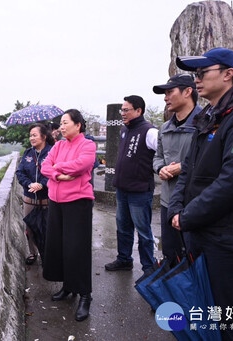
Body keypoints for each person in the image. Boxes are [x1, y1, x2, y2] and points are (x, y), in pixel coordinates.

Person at [168, 47, 233, 341]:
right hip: (200, 231)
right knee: (203, 311)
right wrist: (177, 208)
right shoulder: (211, 117)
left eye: (202, 73)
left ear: (228, 74)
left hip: (227, 239)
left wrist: (187, 215)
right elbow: (187, 170)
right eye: (194, 74)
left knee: (227, 317)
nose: (196, 80)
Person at [40, 109, 96, 322]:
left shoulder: (88, 145)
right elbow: (45, 166)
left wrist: (59, 167)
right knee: (59, 246)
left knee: (77, 248)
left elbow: (82, 165)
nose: (61, 127)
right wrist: (57, 172)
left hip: (77, 202)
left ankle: (85, 294)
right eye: (60, 124)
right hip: (56, 202)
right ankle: (68, 286)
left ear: (77, 125)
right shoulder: (59, 146)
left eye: (65, 123)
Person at [104, 95, 158, 274]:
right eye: (122, 110)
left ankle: (149, 268)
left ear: (138, 111)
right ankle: (124, 259)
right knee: (123, 227)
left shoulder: (150, 131)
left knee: (143, 231)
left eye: (126, 110)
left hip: (140, 191)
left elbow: (162, 155)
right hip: (122, 188)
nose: (123, 113)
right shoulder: (124, 130)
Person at [152, 74, 202, 263]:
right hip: (167, 200)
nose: (165, 98)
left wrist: (183, 167)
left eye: (169, 92)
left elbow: (214, 160)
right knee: (171, 254)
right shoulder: (164, 127)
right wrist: (160, 169)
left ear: (188, 91)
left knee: (194, 256)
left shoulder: (205, 124)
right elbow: (157, 157)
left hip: (194, 201)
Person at [16, 123, 55, 265]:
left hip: (47, 200)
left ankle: (49, 255)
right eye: (30, 135)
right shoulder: (27, 153)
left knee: (48, 230)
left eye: (34, 135)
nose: (31, 138)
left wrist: (42, 184)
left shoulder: (53, 152)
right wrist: (29, 184)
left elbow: (54, 172)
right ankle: (33, 253)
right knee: (30, 228)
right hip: (29, 199)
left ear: (44, 137)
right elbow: (20, 173)